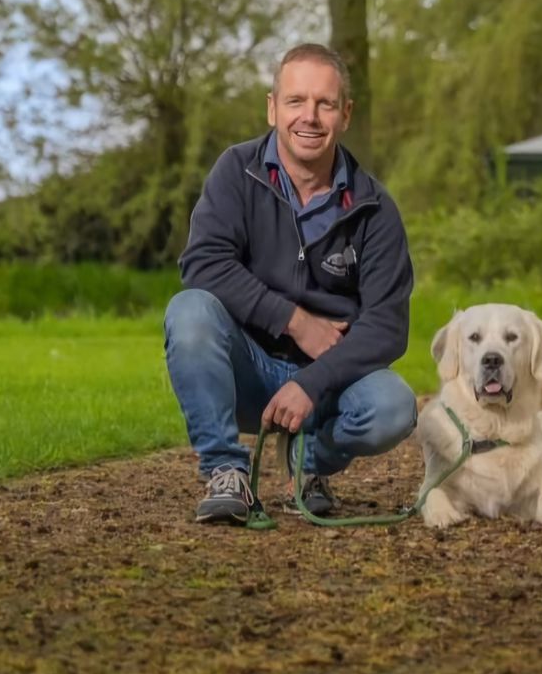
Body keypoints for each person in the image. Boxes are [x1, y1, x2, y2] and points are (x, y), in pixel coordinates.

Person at [163, 43, 417, 525]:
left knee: (395, 408)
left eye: (325, 103)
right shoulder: (235, 172)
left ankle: (308, 463)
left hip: (330, 386)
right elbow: (203, 264)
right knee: (189, 310)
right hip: (249, 373)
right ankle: (227, 473)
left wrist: (312, 382)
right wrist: (296, 322)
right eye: (296, 101)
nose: (310, 117)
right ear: (272, 107)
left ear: (346, 113)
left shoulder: (375, 207)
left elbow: (387, 326)